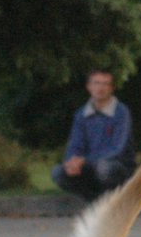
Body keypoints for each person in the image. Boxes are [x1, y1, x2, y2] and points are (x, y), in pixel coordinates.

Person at [51, 69, 134, 202]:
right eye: (96, 83)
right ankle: (95, 200)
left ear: (112, 88)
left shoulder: (121, 112)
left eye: (105, 84)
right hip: (89, 167)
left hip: (117, 166)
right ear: (89, 86)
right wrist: (72, 162)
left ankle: (115, 197)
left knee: (104, 167)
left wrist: (85, 161)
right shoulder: (81, 114)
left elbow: (118, 149)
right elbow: (75, 145)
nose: (100, 88)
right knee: (58, 172)